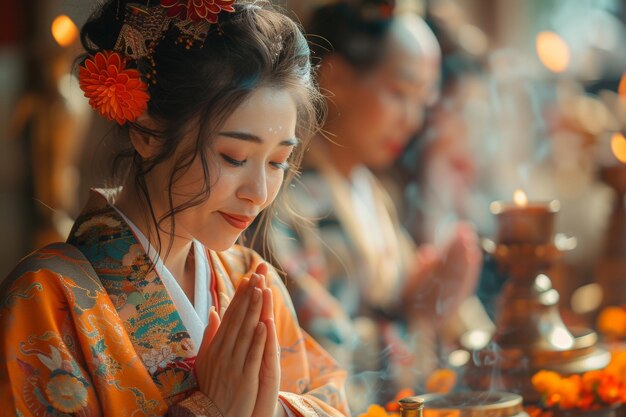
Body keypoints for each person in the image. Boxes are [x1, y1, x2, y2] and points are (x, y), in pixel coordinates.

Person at [0, 1, 350, 416]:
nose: (258, 192)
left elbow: (330, 397)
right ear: (147, 131)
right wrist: (210, 409)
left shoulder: (251, 283)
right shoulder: (45, 300)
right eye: (234, 157)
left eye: (277, 163)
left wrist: (271, 410)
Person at [269, 0, 482, 410]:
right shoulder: (292, 202)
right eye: (401, 93)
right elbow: (323, 361)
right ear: (337, 78)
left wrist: (437, 297)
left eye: (423, 102)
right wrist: (420, 318)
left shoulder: (376, 192)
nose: (413, 119)